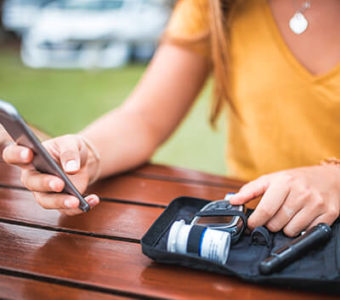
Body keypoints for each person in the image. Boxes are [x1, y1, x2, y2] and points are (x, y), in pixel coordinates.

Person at [2, 0, 340, 237]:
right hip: (253, 232)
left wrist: (333, 180)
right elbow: (144, 117)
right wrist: (87, 153)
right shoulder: (214, 5)